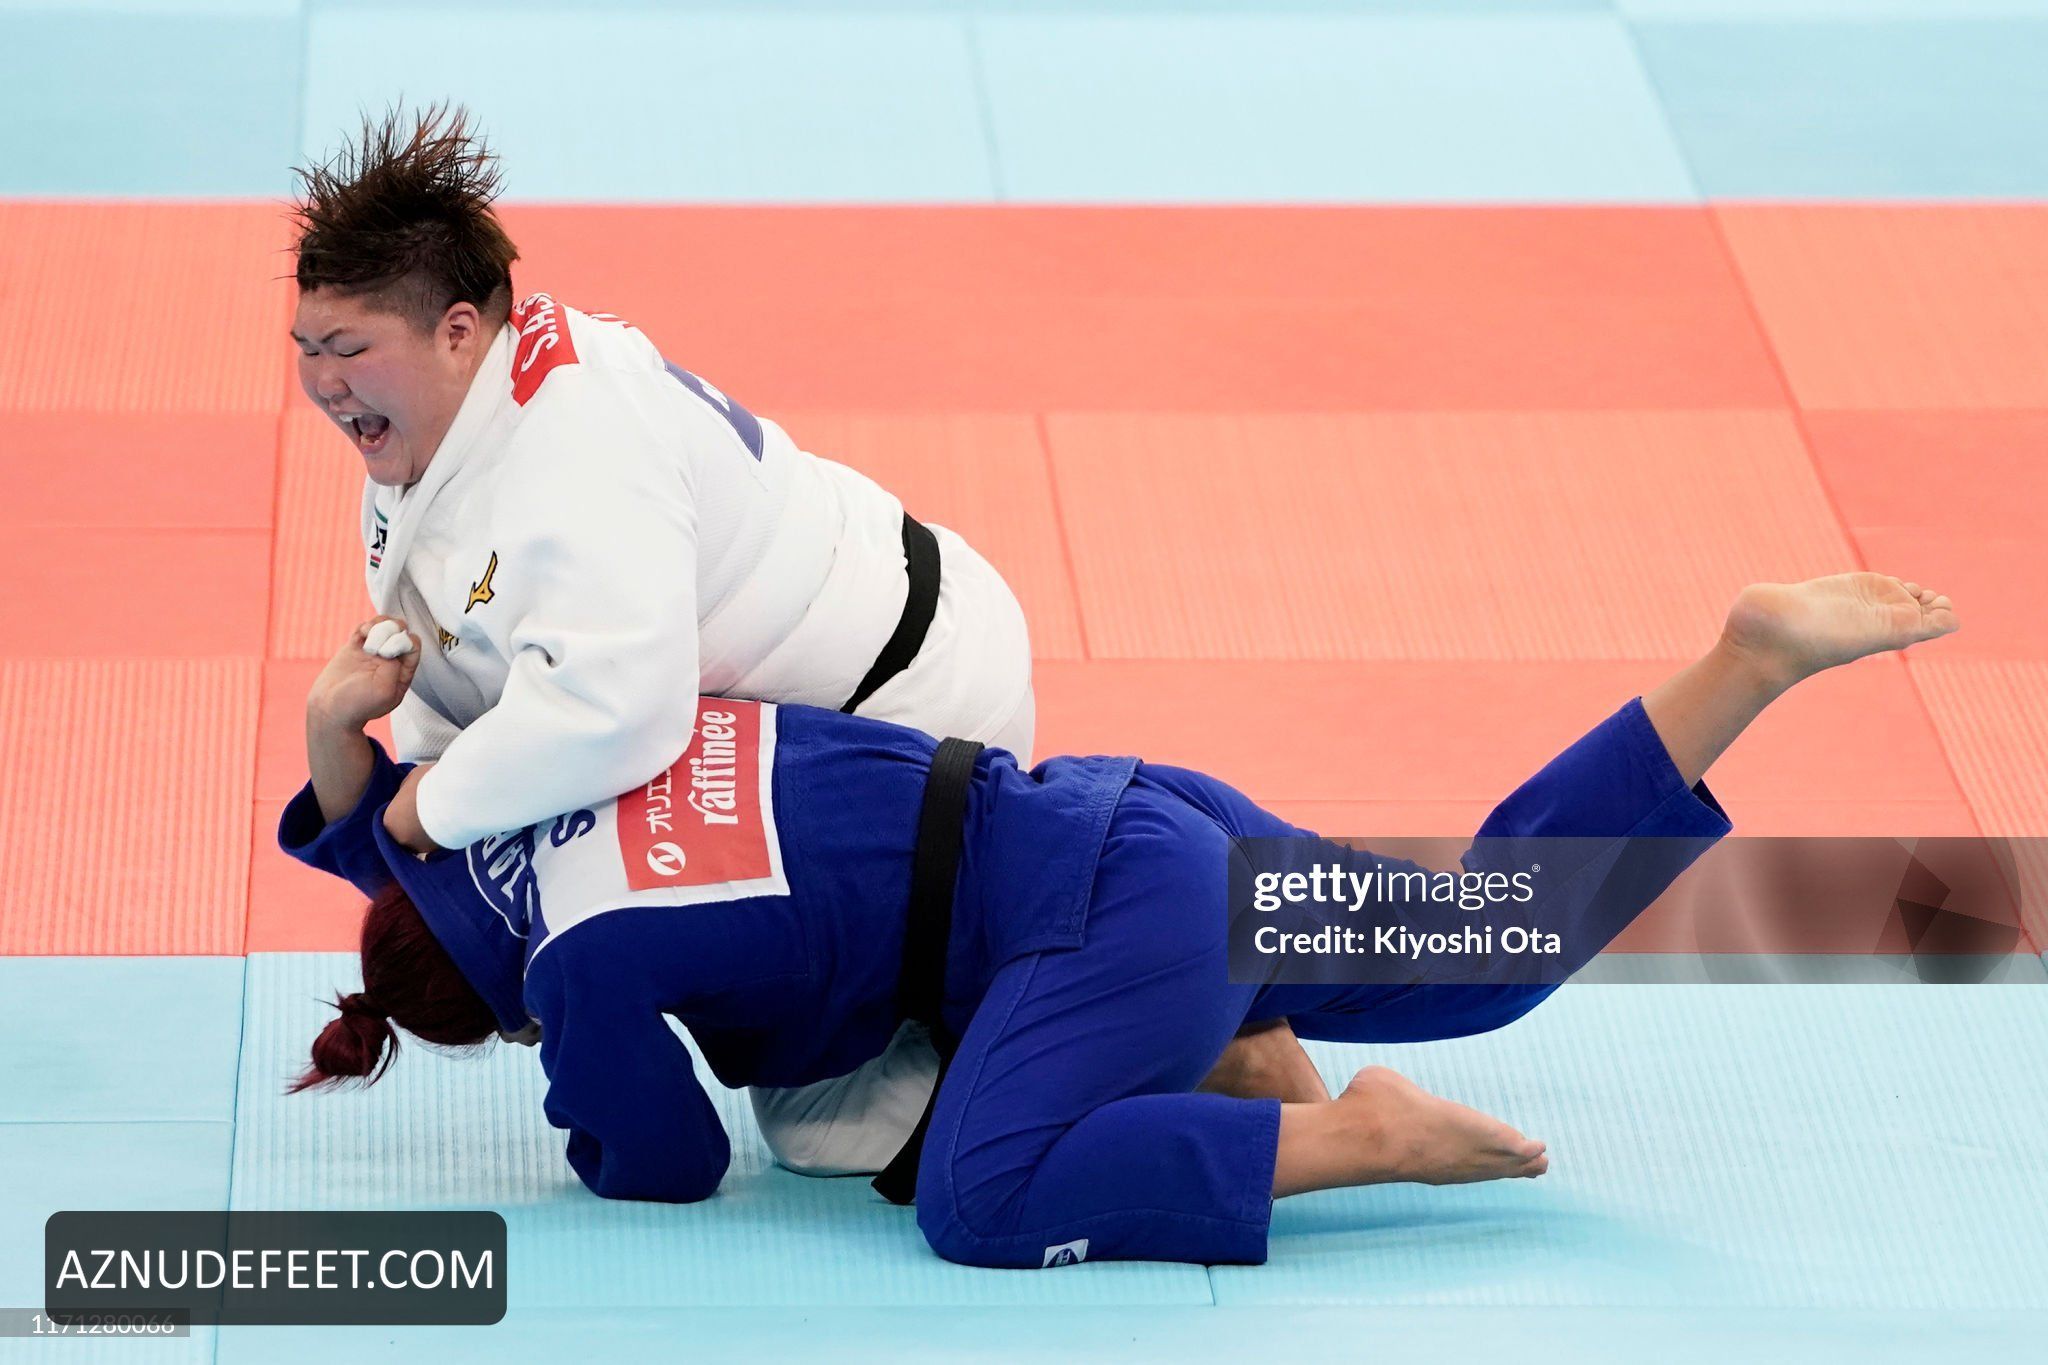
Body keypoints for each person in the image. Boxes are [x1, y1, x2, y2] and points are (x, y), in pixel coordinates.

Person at [284, 572, 1958, 1267]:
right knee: (1482, 939)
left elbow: (658, 1163)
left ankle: (1345, 1137)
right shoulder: (570, 749)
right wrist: (331, 743)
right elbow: (401, 858)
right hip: (1125, 813)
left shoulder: (571, 968)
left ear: (499, 1003)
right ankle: (1739, 661)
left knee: (978, 1199)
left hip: (1096, 935)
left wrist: (568, 1068)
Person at [287, 104, 1033, 1174]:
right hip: (787, 718)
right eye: (307, 349)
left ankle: (1142, 1008)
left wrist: (429, 809)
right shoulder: (438, 439)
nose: (324, 381)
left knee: (834, 1128)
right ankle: (1107, 949)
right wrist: (369, 771)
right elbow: (478, 738)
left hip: (909, 703)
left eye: (350, 350)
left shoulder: (576, 448)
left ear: (455, 331)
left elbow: (618, 714)